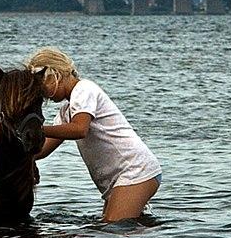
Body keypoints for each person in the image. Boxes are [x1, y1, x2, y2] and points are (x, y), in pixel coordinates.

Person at [26, 48, 161, 222]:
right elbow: (42, 150)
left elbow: (80, 129)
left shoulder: (84, 89)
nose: (43, 95)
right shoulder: (66, 111)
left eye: (42, 86)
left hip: (135, 170)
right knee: (114, 232)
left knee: (112, 228)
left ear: (56, 75)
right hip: (119, 178)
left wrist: (39, 129)